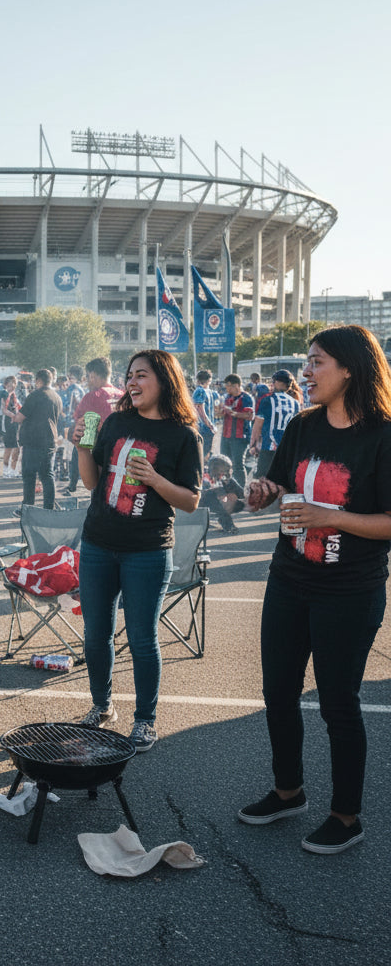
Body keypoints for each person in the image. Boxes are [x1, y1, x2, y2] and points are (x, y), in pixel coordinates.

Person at [239, 325, 391, 854]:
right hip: (289, 578)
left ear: (349, 368)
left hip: (349, 590)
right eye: (306, 362)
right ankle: (288, 791)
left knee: (338, 704)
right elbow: (282, 483)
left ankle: (346, 818)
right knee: (278, 693)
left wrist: (332, 515)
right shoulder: (303, 425)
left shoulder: (383, 434)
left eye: (316, 362)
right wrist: (264, 491)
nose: (306, 371)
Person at [74, 349, 202, 752]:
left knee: (143, 638)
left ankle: (145, 720)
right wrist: (80, 447)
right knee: (96, 635)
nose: (132, 382)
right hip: (97, 542)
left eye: (141, 374)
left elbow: (190, 501)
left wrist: (156, 480)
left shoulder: (183, 434)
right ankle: (101, 705)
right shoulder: (114, 421)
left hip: (147, 550)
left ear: (164, 380)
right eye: (129, 375)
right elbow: (92, 483)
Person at [69, 357, 124, 494]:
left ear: (92, 375)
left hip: (102, 463)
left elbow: (78, 424)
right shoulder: (124, 396)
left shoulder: (92, 397)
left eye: (87, 377)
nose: (87, 381)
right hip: (125, 461)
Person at [11, 368, 62, 515]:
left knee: (29, 476)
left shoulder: (35, 395)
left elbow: (21, 417)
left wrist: (14, 416)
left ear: (38, 380)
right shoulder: (56, 397)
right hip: (50, 440)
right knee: (47, 475)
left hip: (33, 441)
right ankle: (49, 509)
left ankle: (28, 508)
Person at [249, 369, 302, 479]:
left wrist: (253, 444)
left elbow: (257, 426)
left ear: (278, 382)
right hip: (286, 448)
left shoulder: (267, 400)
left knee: (264, 481)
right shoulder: (296, 403)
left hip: (269, 446)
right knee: (281, 481)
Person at [220, 373, 254, 488]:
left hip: (240, 436)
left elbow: (249, 416)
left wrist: (233, 413)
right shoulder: (227, 397)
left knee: (238, 465)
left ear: (236, 385)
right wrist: (219, 411)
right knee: (223, 463)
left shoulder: (246, 398)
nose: (226, 388)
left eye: (228, 385)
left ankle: (240, 491)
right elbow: (220, 414)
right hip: (226, 435)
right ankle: (226, 488)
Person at [201, 454, 244, 534]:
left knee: (240, 504)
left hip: (217, 499)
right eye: (221, 471)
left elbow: (241, 493)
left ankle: (223, 519)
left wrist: (228, 485)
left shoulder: (225, 478)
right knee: (213, 497)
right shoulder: (204, 476)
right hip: (201, 501)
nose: (223, 474)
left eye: (225, 471)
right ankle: (228, 525)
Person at [191, 369, 219, 456]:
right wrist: (210, 425)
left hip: (205, 426)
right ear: (209, 380)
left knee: (205, 452)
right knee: (203, 453)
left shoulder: (203, 391)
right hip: (204, 426)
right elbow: (200, 410)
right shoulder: (203, 391)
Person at [0, 376, 21, 478]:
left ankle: (13, 470)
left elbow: (19, 408)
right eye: (9, 384)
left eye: (13, 383)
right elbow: (4, 410)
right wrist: (13, 416)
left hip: (16, 423)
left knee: (17, 448)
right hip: (8, 423)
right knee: (8, 448)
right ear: (5, 385)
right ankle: (5, 471)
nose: (11, 385)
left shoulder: (16, 396)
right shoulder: (3, 394)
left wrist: (19, 416)